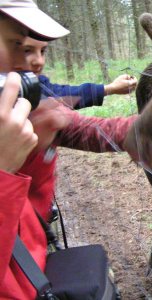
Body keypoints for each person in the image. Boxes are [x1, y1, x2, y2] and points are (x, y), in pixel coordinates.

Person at [0, 0, 139, 298]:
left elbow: (69, 116)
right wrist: (5, 169)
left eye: (41, 50)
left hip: (31, 263)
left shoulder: (23, 99)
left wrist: (139, 129)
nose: (35, 61)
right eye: (19, 45)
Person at [15, 36, 136, 109]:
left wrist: (110, 88)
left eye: (42, 51)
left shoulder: (36, 85)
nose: (40, 61)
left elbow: (60, 94)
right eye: (26, 50)